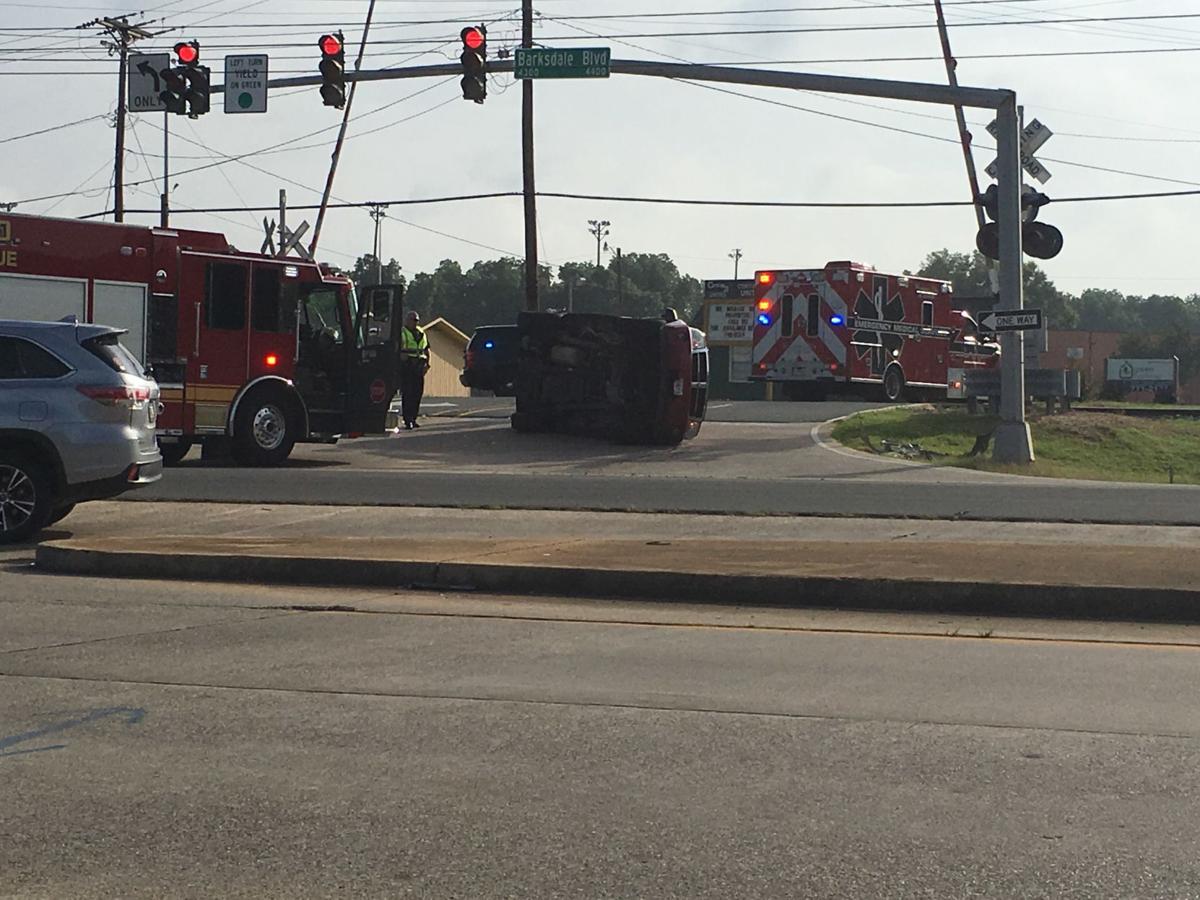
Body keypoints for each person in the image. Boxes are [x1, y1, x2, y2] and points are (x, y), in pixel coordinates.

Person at [399, 310, 430, 430]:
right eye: (413, 320)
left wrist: (427, 364)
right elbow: (397, 348)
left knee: (417, 393)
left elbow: (426, 349)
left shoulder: (421, 333)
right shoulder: (402, 332)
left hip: (419, 365)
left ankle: (414, 418)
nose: (415, 323)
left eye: (417, 320)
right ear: (407, 320)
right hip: (407, 365)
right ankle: (408, 420)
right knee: (408, 393)